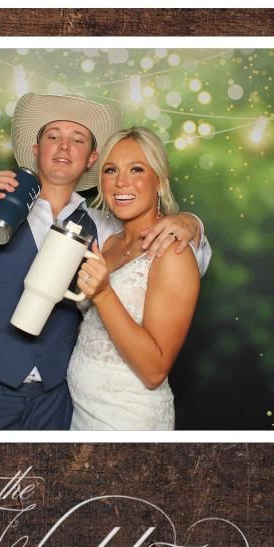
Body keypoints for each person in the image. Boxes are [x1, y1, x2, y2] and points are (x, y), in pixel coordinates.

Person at [0, 92, 211, 432]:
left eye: (77, 140)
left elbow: (176, 263)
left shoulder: (104, 225)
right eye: (53, 137)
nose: (64, 147)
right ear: (35, 150)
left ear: (91, 158)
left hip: (56, 404)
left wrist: (191, 223)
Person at [68, 128, 201, 431]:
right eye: (111, 170)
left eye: (136, 169)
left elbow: (154, 370)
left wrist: (103, 295)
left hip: (128, 421)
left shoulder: (173, 253)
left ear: (160, 181)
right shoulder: (110, 242)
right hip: (80, 414)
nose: (121, 182)